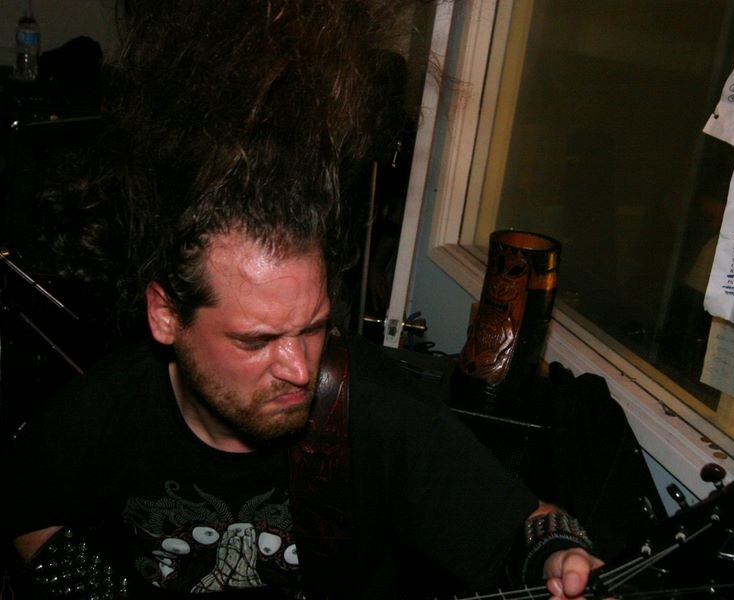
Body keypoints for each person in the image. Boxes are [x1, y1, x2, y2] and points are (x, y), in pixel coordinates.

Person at [4, 1, 606, 598]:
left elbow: (525, 524)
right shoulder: (104, 411)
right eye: (256, 340)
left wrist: (560, 554)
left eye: (313, 327)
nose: (299, 369)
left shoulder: (372, 410)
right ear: (166, 315)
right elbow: (25, 509)